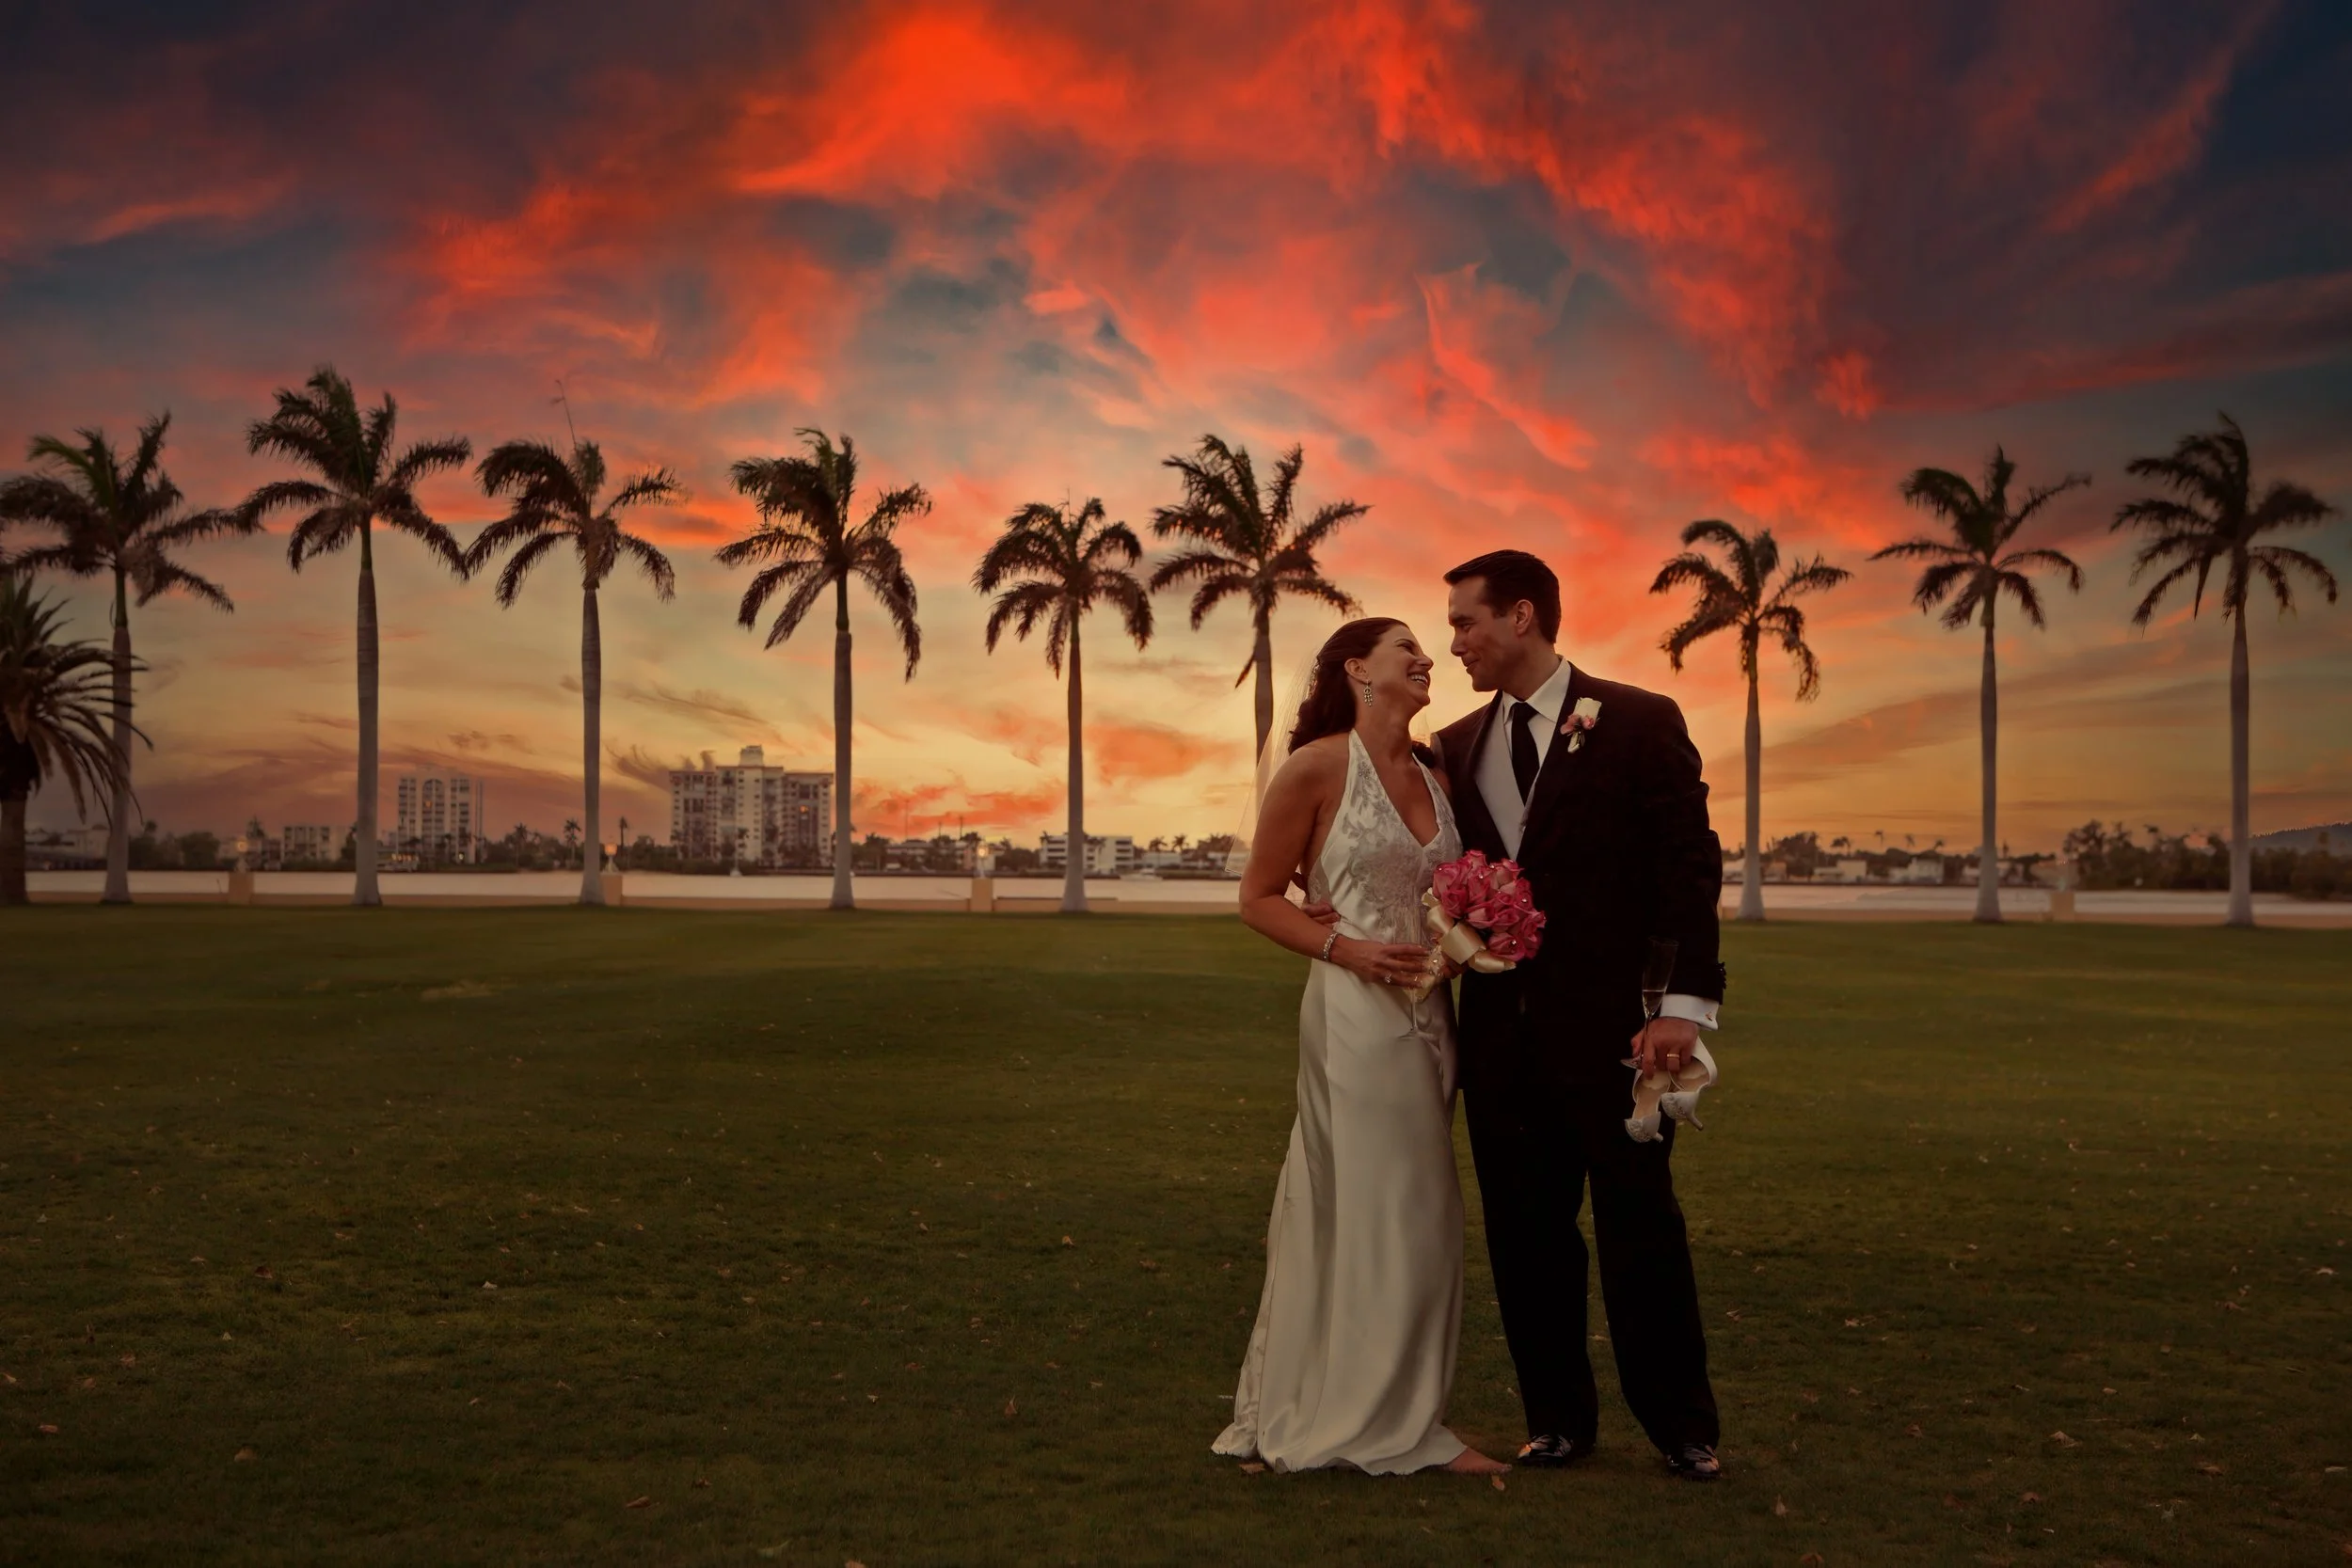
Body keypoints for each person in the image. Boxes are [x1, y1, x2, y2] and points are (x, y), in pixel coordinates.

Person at [1431, 548, 1729, 1481]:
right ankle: (1556, 1418)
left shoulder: (1639, 720)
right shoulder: (1452, 744)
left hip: (1617, 1032)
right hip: (1498, 1034)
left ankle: (1682, 1425)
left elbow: (1689, 866)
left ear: (1521, 616)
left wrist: (1681, 1006)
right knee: (1524, 1230)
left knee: (1640, 1221)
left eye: (1465, 623)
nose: (1455, 645)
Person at [1213, 616, 1510, 1477]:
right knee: (1370, 1209)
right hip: (1351, 1016)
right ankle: (1363, 1418)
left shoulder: (1436, 770)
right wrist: (1347, 948)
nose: (1428, 659)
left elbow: (1443, 895)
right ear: (1358, 668)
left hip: (1431, 1022)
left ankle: (1404, 1407)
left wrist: (1471, 939)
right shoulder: (1317, 766)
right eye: (1406, 648)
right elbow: (1259, 897)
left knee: (1423, 1218)